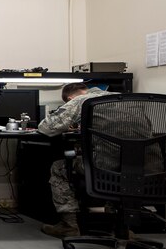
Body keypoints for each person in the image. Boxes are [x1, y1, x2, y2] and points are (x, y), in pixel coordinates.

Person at [37, 82, 114, 238]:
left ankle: (69, 226)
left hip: (105, 165)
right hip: (147, 166)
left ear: (71, 98)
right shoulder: (126, 98)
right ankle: (122, 225)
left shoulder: (81, 100)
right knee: (121, 178)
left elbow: (47, 127)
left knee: (59, 167)